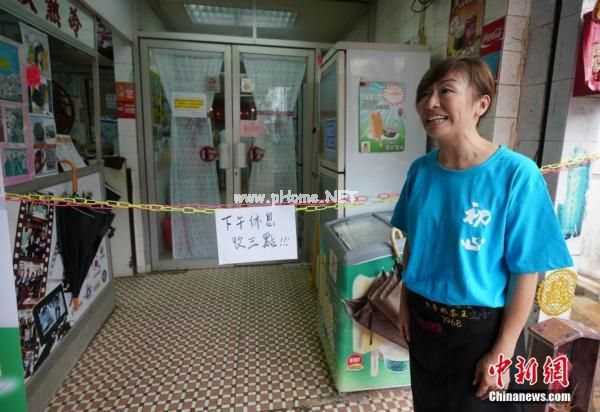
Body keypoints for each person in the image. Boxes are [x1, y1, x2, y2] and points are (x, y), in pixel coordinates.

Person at [391, 57, 572, 412]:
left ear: (481, 104)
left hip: (483, 333)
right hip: (425, 323)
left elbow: (526, 270)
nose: (430, 103)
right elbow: (415, 241)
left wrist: (503, 348)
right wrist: (404, 302)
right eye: (425, 93)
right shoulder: (420, 172)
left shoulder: (517, 174)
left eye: (445, 91)